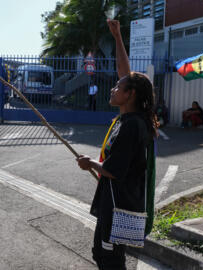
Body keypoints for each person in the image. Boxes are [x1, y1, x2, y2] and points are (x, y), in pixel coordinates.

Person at [76, 19, 157, 270]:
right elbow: (126, 74)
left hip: (118, 205)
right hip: (117, 201)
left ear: (130, 94)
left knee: (109, 259)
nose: (113, 89)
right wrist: (118, 37)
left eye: (117, 87)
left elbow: (114, 169)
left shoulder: (132, 125)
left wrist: (90, 163)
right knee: (103, 255)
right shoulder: (130, 118)